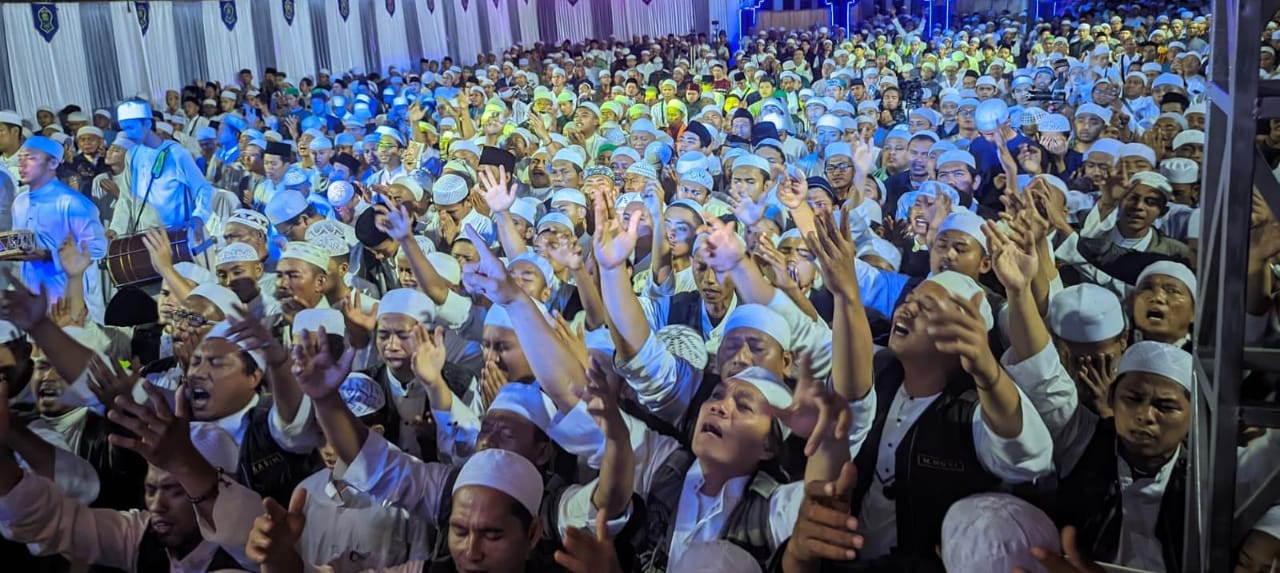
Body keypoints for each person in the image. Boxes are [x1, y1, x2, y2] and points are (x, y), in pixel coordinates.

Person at [7, 136, 109, 322]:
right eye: (20, 158)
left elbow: (98, 247)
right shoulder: (20, 202)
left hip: (70, 301)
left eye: (31, 158)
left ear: (53, 163)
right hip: (34, 299)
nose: (22, 164)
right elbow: (19, 242)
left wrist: (50, 255)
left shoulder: (72, 202)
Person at [108, 100, 214, 249]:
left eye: (131, 127)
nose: (128, 134)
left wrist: (198, 218)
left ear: (147, 124)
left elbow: (204, 189)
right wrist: (116, 229)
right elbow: (125, 198)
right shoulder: (132, 155)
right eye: (124, 128)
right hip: (144, 238)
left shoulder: (177, 154)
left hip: (176, 238)